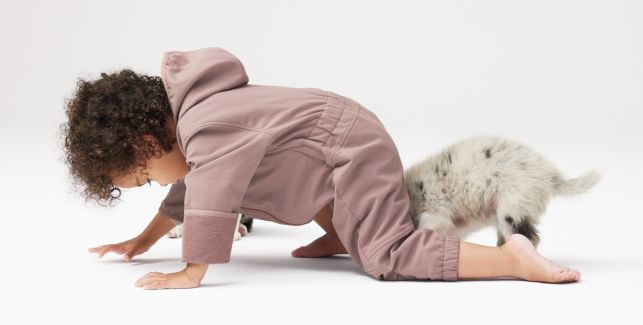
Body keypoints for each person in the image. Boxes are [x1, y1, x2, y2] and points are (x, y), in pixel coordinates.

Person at [62, 47, 580, 290]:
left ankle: (512, 259)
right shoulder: (199, 126)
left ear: (149, 139)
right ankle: (338, 230)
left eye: (147, 176)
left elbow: (210, 196)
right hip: (329, 146)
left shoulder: (203, 128)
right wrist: (144, 239)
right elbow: (191, 189)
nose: (160, 184)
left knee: (385, 254)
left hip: (348, 149)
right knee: (288, 181)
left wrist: (192, 270)